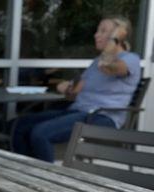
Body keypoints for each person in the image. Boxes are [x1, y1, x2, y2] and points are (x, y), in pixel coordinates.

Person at [12, 16, 141, 162]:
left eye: (103, 31)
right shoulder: (96, 62)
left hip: (102, 116)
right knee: (20, 125)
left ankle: (48, 179)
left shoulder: (130, 59)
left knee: (40, 133)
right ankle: (28, 170)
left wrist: (114, 40)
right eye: (97, 30)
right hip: (79, 111)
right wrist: (67, 88)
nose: (96, 35)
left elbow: (107, 66)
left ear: (118, 36)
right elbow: (74, 93)